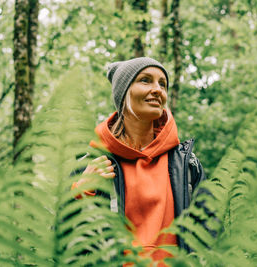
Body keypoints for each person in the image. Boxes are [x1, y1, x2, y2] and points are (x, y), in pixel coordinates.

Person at [73, 57, 206, 265]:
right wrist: (81, 191)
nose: (157, 90)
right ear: (124, 93)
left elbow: (211, 239)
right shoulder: (91, 163)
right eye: (145, 80)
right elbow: (62, 246)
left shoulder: (186, 164)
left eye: (162, 84)